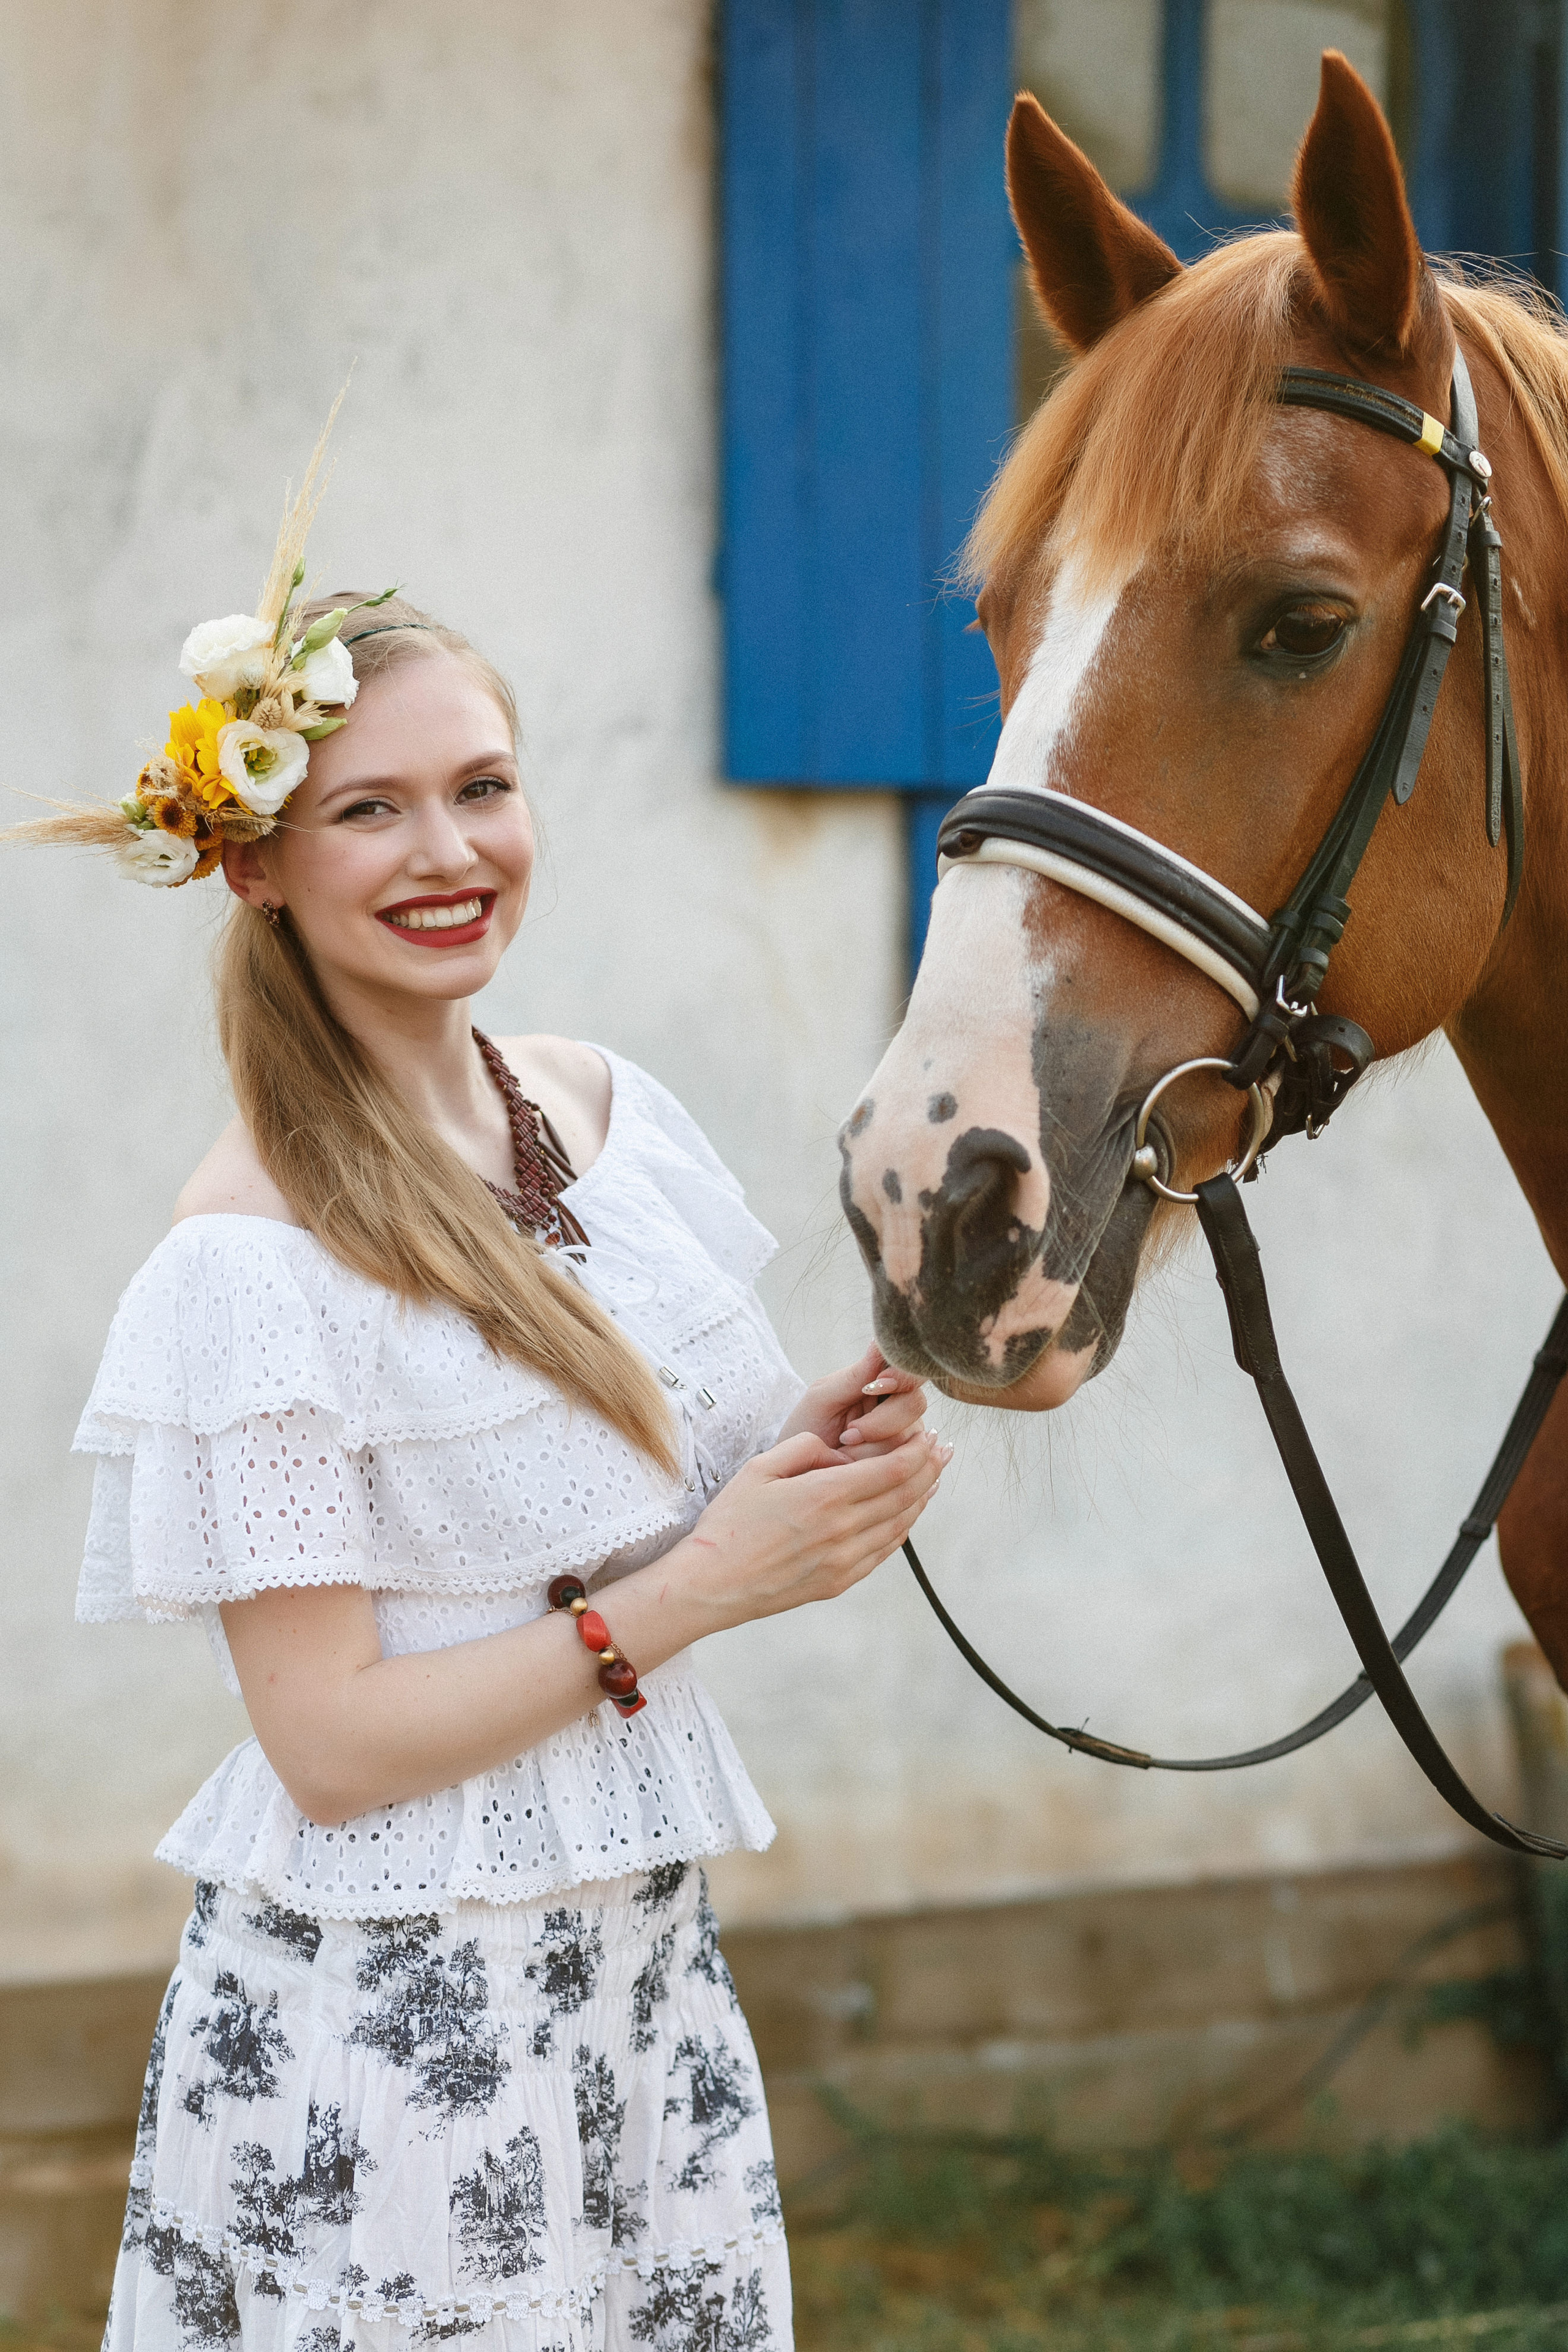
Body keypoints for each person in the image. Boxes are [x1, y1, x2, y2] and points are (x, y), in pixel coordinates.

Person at [24, 461, 948, 2350]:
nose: (450, 852)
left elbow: (582, 1545)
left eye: (483, 786)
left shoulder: (602, 1115)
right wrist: (698, 1595)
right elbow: (331, 1747)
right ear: (256, 859)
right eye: (369, 808)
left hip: (630, 1977)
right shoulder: (246, 1268)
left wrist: (791, 1491)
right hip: (392, 2035)